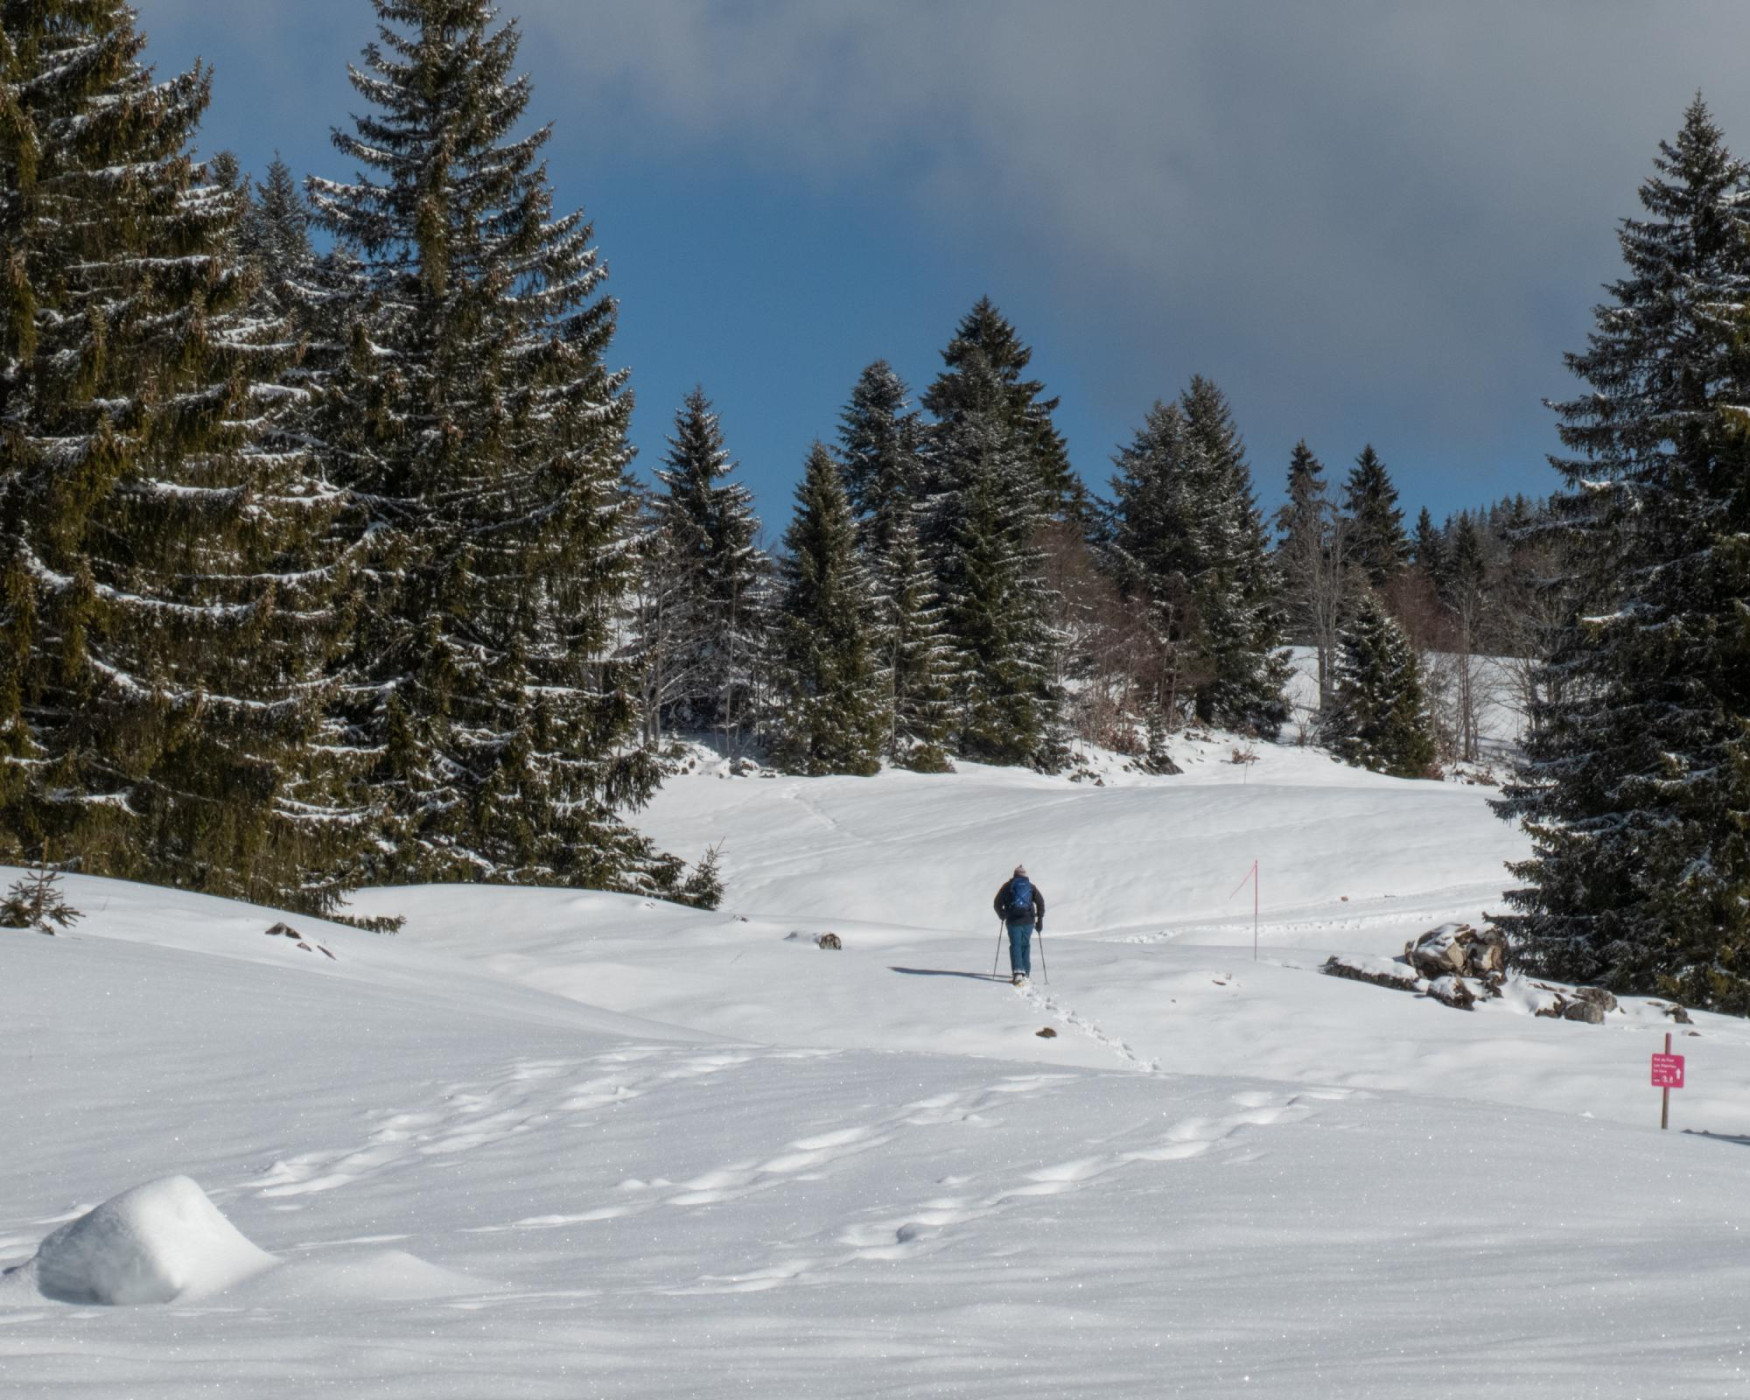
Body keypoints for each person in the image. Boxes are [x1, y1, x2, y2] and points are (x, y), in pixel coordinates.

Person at [993, 864, 1045, 986]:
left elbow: (996, 903)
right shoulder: (1031, 887)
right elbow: (1041, 903)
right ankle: (1025, 973)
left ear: (1015, 875)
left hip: (1013, 920)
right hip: (1028, 921)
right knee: (1025, 944)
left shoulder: (1008, 886)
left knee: (1015, 944)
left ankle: (1017, 973)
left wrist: (1002, 914)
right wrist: (1040, 920)